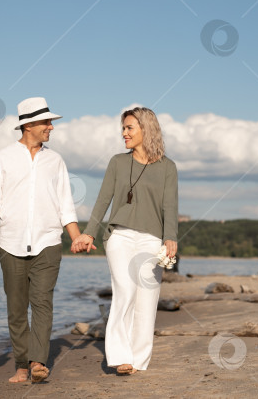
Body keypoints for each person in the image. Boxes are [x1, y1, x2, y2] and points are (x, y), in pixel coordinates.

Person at [0, 97, 91, 383]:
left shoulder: (55, 160)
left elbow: (66, 205)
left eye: (51, 122)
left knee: (42, 302)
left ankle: (38, 362)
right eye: (46, 122)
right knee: (16, 308)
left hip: (48, 242)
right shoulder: (2, 158)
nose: (51, 127)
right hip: (10, 244)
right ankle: (22, 366)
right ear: (28, 125)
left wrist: (76, 237)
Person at [71, 106, 178, 375]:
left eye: (129, 128)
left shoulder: (168, 168)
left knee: (147, 300)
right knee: (125, 292)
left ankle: (138, 361)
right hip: (120, 236)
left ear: (146, 129)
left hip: (152, 240)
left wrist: (170, 238)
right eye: (123, 128)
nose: (124, 133)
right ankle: (120, 356)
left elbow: (170, 207)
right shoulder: (117, 162)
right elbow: (103, 200)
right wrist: (89, 232)